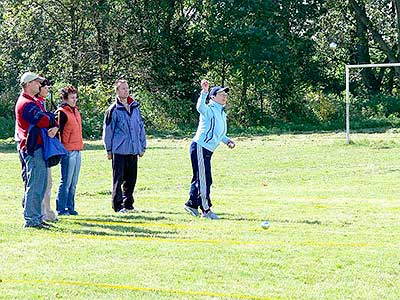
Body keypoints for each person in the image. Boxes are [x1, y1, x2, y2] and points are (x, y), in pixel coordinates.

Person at [184, 79, 235, 220]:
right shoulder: (209, 109)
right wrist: (204, 91)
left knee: (201, 178)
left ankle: (191, 204)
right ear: (213, 97)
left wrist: (226, 140)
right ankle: (206, 210)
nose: (224, 96)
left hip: (207, 150)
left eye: (225, 94)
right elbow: (199, 106)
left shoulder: (222, 113)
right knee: (205, 179)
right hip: (200, 147)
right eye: (221, 94)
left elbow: (219, 132)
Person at [15, 72, 59, 229]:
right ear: (28, 84)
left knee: (40, 183)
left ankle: (36, 218)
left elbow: (49, 117)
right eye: (36, 82)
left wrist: (52, 121)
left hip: (37, 147)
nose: (39, 85)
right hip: (32, 149)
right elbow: (43, 119)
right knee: (35, 183)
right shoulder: (26, 104)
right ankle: (31, 219)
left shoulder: (32, 101)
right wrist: (52, 121)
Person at [103, 79, 146, 213]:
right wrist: (108, 150)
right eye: (122, 88)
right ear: (117, 91)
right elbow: (108, 131)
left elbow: (140, 126)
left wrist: (142, 146)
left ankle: (128, 204)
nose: (126, 91)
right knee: (118, 179)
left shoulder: (135, 107)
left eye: (127, 88)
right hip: (119, 150)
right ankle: (117, 205)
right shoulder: (113, 110)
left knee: (131, 179)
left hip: (133, 149)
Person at [55, 85, 83, 216]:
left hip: (77, 149)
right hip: (67, 150)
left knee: (73, 182)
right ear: (65, 98)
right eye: (72, 97)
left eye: (75, 97)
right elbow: (58, 131)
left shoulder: (76, 110)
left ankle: (71, 207)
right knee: (65, 181)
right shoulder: (62, 112)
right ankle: (61, 208)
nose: (74, 100)